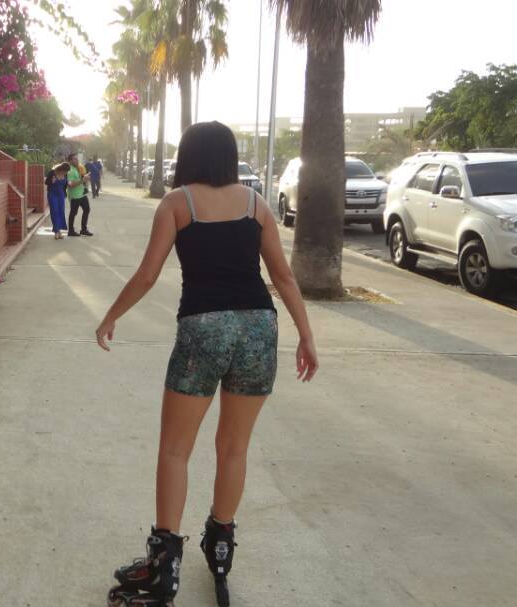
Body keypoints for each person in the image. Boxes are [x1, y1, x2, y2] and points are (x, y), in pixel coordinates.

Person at [97, 121, 318, 606]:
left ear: (189, 156)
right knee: (234, 448)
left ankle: (163, 570)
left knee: (175, 450)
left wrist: (110, 316)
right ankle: (219, 549)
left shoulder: (178, 204)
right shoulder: (257, 205)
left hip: (204, 329)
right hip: (259, 327)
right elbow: (282, 276)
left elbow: (148, 274)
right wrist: (306, 335)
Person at [66, 152, 94, 237]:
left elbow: (79, 180)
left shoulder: (76, 168)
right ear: (70, 161)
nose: (77, 160)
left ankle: (83, 229)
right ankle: (71, 231)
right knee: (73, 212)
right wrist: (82, 180)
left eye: (77, 159)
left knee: (87, 209)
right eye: (75, 159)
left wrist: (85, 179)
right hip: (75, 195)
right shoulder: (70, 170)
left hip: (81, 194)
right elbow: (70, 184)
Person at [45, 162, 70, 239]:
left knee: (61, 212)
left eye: (66, 172)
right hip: (52, 194)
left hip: (61, 195)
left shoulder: (65, 174)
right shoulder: (53, 172)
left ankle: (59, 231)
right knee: (54, 212)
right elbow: (46, 182)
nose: (65, 173)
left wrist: (65, 192)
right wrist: (51, 181)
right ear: (61, 169)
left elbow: (65, 185)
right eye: (65, 171)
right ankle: (56, 231)